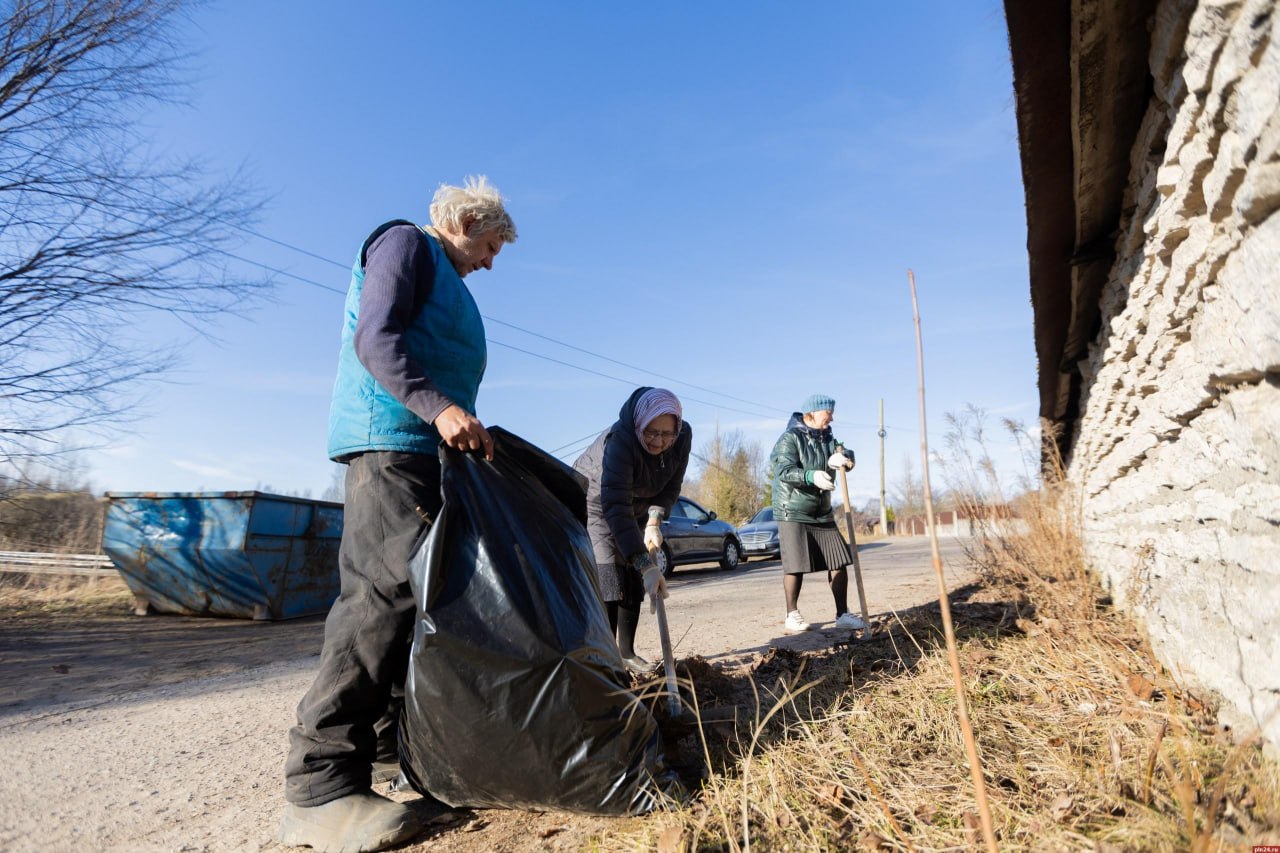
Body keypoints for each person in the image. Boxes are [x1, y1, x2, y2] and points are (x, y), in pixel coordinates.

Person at [280, 177, 517, 853]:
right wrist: (439, 407)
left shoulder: (446, 273)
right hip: (389, 443)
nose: (493, 262)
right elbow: (376, 340)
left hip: (423, 450)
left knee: (417, 603)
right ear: (468, 219)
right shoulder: (405, 244)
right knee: (379, 599)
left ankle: (387, 756)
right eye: (493, 245)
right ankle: (319, 784)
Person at [573, 387, 691, 673]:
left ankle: (626, 652)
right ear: (639, 424)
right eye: (651, 432)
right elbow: (614, 506)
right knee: (610, 573)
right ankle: (605, 657)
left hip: (639, 503)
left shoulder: (682, 436)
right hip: (599, 501)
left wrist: (654, 520)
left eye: (666, 434)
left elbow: (671, 487)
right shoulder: (621, 441)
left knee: (631, 577)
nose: (659, 441)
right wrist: (646, 565)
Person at [768, 394, 869, 634]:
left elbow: (848, 452)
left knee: (838, 560)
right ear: (811, 413)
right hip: (792, 509)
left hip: (821, 510)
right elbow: (784, 470)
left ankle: (842, 614)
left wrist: (845, 458)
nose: (832, 416)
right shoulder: (790, 438)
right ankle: (792, 614)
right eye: (828, 412)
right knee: (795, 564)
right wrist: (811, 476)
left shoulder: (828, 438)